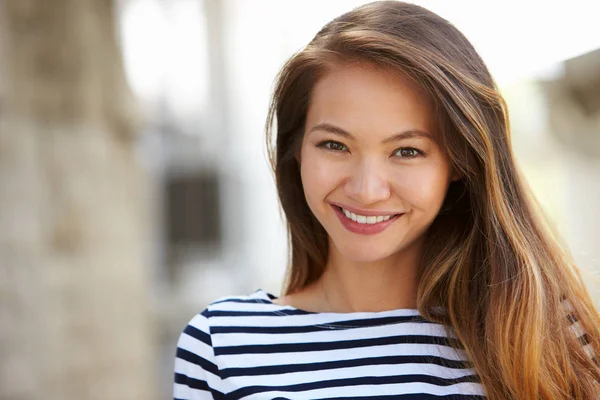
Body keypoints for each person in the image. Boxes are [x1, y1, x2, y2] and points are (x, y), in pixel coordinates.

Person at [173, 1, 600, 399]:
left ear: (458, 163)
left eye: (407, 151)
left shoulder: (540, 337)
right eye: (334, 145)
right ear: (296, 149)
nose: (366, 189)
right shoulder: (223, 344)